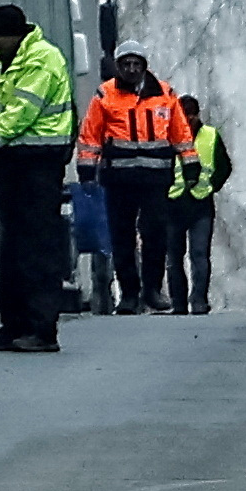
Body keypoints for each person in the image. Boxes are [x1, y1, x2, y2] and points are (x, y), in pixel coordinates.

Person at [0, 2, 77, 353]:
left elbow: (21, 114)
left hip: (38, 164)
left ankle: (41, 328)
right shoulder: (14, 64)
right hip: (17, 163)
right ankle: (14, 325)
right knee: (12, 247)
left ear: (13, 34)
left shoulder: (41, 59)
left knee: (37, 247)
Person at [83, 47, 189, 312]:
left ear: (144, 65)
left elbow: (180, 132)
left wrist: (191, 162)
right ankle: (129, 294)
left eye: (136, 63)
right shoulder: (105, 94)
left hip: (156, 177)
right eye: (126, 64)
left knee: (155, 234)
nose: (131, 69)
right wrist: (86, 169)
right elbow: (91, 134)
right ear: (119, 66)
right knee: (122, 237)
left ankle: (152, 290)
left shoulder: (165, 93)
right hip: (119, 178)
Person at [165, 94, 230, 314]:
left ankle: (199, 300)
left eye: (190, 117)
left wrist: (211, 186)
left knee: (199, 255)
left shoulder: (210, 136)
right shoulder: (166, 137)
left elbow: (224, 167)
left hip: (200, 204)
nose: (188, 121)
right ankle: (178, 303)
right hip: (173, 203)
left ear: (197, 115)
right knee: (174, 258)